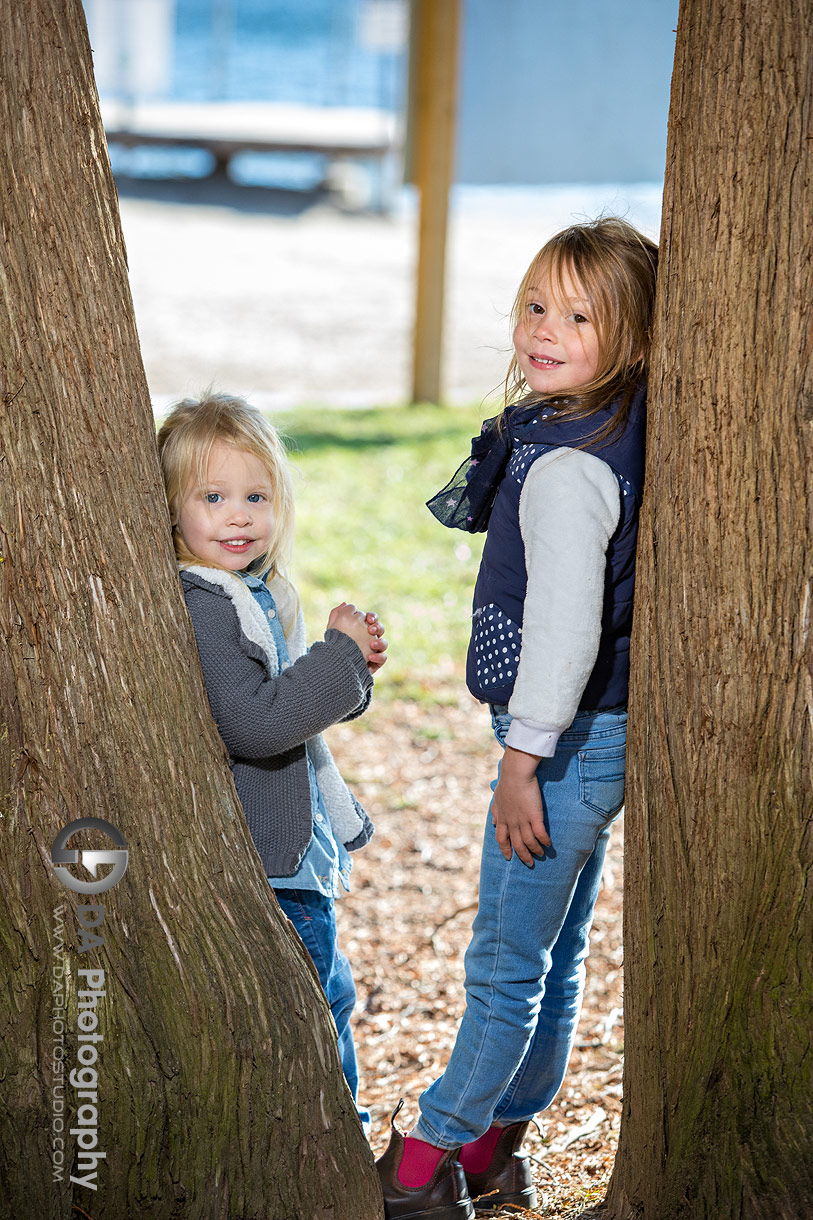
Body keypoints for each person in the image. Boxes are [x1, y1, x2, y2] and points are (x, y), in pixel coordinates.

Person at [376, 217, 658, 1218]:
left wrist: (521, 760)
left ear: (633, 342)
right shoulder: (602, 426)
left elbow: (566, 632)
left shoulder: (568, 471)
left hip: (561, 750)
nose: (545, 327)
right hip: (598, 743)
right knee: (552, 952)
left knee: (502, 968)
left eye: (580, 316)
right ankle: (501, 1152)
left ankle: (422, 1164)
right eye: (537, 303)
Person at [157, 392, 387, 1132]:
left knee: (330, 997)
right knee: (312, 1011)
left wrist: (348, 671)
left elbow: (292, 700)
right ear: (168, 509)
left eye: (256, 496)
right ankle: (336, 1142)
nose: (238, 515)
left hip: (287, 858)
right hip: (268, 863)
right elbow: (257, 723)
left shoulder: (250, 592)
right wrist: (340, 659)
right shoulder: (206, 603)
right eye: (213, 496)